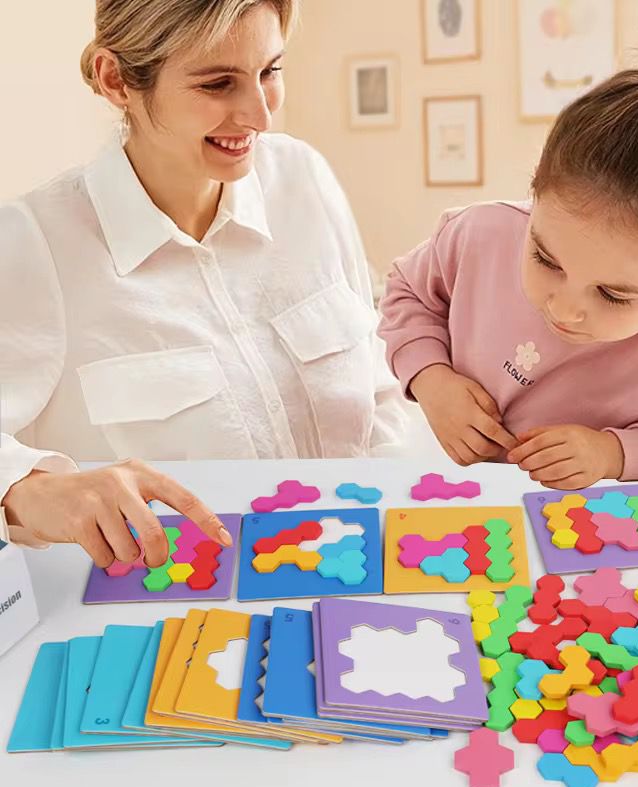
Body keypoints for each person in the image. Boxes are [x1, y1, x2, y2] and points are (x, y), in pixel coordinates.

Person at [0, 0, 406, 566]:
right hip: (168, 621)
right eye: (218, 84)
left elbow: (374, 382)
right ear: (116, 80)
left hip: (357, 571)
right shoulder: (32, 242)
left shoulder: (303, 179)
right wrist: (25, 490)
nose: (260, 116)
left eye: (270, 72)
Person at [379, 26, 638, 489]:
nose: (563, 309)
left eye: (614, 295)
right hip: (444, 493)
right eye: (545, 259)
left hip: (586, 533)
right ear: (536, 186)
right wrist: (430, 377)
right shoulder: (479, 234)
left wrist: (614, 453)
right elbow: (408, 293)